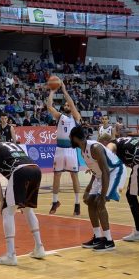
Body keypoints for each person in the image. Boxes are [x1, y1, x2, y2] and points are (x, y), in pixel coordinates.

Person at [0, 131, 45, 266]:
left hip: (20, 171)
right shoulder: (12, 144)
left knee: (7, 212)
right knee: (28, 209)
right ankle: (39, 248)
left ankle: (11, 255)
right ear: (1, 139)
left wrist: (2, 200)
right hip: (35, 169)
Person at [70, 126, 126, 251]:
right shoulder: (83, 150)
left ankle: (109, 241)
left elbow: (105, 170)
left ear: (74, 138)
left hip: (115, 171)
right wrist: (88, 189)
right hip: (101, 175)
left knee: (100, 203)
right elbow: (96, 170)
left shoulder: (94, 148)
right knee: (90, 201)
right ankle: (98, 237)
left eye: (70, 138)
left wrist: (102, 195)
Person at [98, 135, 139, 242]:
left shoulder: (112, 143)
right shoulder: (124, 140)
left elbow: (108, 151)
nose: (100, 149)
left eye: (101, 145)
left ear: (105, 142)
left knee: (130, 195)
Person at [46, 80, 82, 216]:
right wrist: (52, 91)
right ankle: (55, 202)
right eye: (65, 105)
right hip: (59, 150)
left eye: (69, 105)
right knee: (56, 176)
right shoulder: (60, 117)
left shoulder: (76, 118)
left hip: (71, 150)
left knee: (74, 176)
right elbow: (49, 106)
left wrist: (65, 91)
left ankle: (77, 204)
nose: (67, 106)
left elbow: (72, 103)